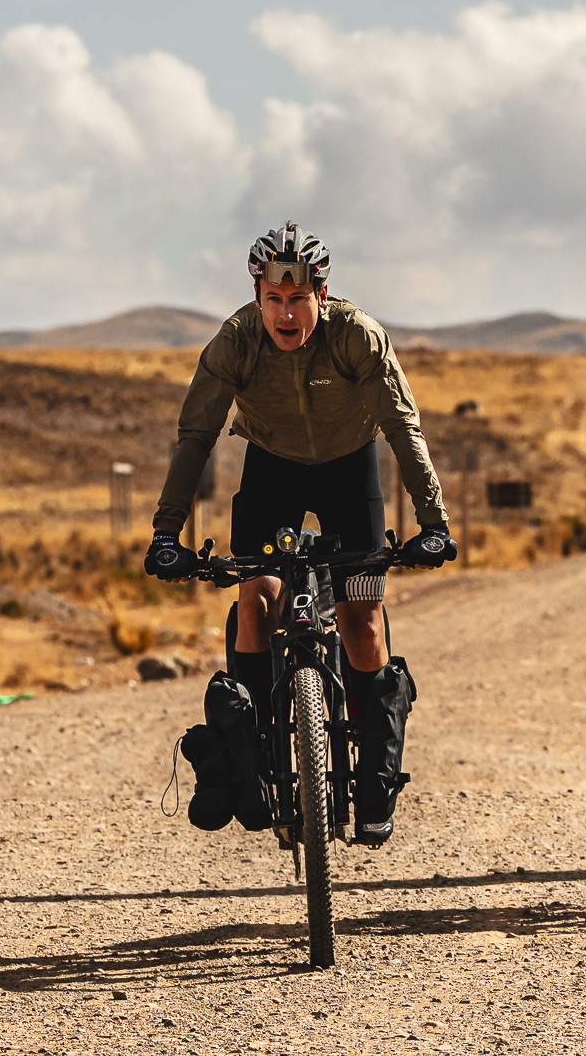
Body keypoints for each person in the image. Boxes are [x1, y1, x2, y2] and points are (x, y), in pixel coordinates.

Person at [145, 222, 456, 845]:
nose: (285, 314)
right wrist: (166, 532)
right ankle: (253, 758)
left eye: (298, 299)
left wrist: (434, 523)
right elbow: (196, 437)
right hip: (272, 471)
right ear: (257, 296)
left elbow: (402, 426)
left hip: (349, 468)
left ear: (321, 293)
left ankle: (374, 775)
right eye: (272, 299)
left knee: (362, 615)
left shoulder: (356, 336)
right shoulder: (236, 341)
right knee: (256, 600)